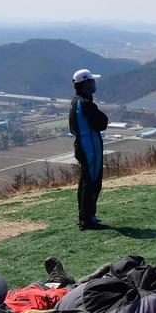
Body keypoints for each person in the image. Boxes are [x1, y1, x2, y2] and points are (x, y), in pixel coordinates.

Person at [69, 68, 109, 230]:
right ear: (85, 83)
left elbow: (73, 128)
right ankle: (87, 220)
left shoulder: (76, 101)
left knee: (86, 182)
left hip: (83, 146)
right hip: (89, 148)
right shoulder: (86, 104)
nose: (94, 84)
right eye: (92, 81)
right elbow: (102, 123)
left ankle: (87, 216)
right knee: (91, 183)